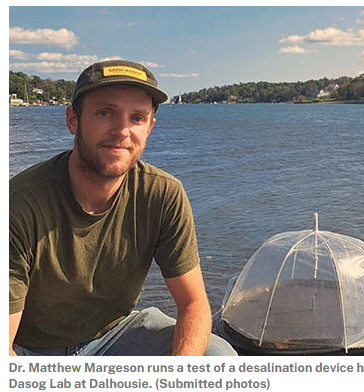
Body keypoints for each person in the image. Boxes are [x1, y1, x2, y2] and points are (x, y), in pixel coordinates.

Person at [9, 59, 237, 356]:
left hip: (114, 336)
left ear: (150, 128)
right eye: (106, 113)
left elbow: (193, 303)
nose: (122, 130)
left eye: (137, 118)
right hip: (30, 348)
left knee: (218, 356)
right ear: (73, 120)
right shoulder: (20, 204)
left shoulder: (162, 194)